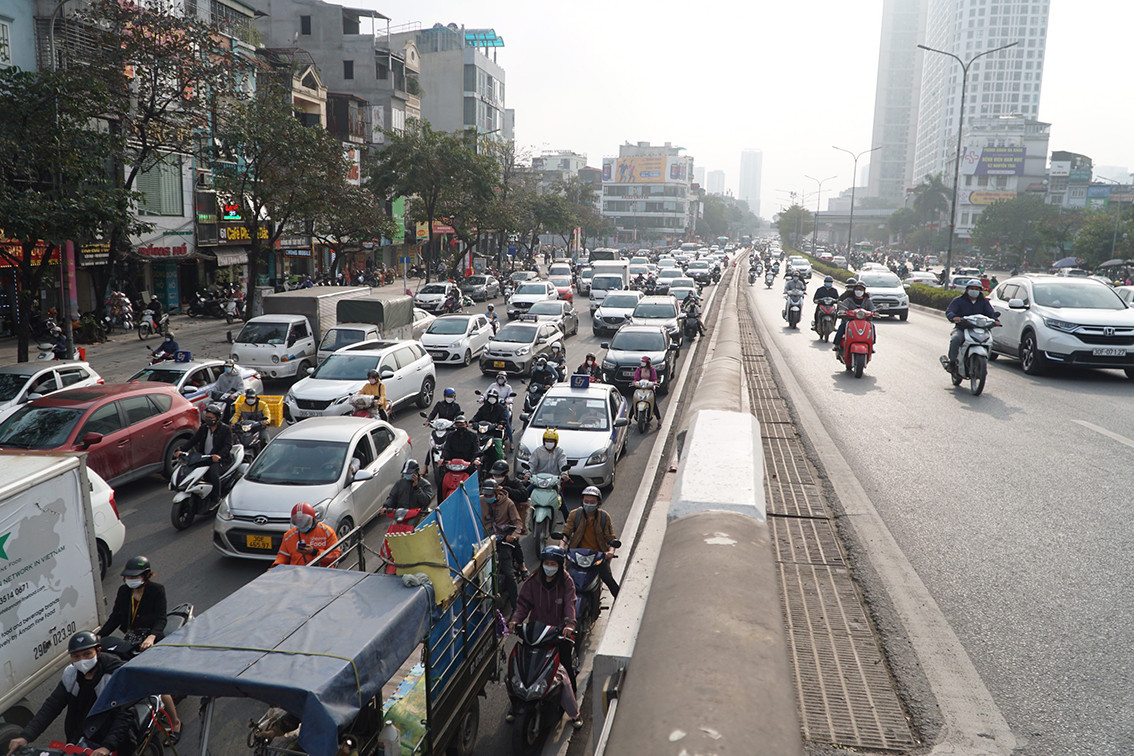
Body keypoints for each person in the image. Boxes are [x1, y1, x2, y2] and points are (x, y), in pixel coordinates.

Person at [96, 556, 182, 741]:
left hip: (151, 637)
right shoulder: (123, 591)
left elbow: (161, 618)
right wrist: (98, 636)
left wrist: (152, 637)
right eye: (128, 577)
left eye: (134, 576)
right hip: (132, 637)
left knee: (155, 682)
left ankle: (175, 722)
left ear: (146, 576)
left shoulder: (157, 590)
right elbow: (115, 617)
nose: (130, 580)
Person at [7, 632, 135, 756]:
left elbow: (124, 715)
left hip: (113, 739)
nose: (82, 660)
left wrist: (107, 746)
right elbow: (51, 707)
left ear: (98, 651)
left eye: (87, 654)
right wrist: (26, 736)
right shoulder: (71, 675)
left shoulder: (114, 677)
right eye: (76, 656)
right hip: (81, 738)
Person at [507, 546, 583, 729]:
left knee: (565, 675)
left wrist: (569, 625)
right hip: (535, 634)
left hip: (558, 635)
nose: (549, 567)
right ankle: (515, 705)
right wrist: (515, 620)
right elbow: (523, 604)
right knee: (517, 669)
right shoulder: (533, 581)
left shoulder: (567, 582)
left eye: (553, 564)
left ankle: (574, 712)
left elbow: (570, 605)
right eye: (547, 563)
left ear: (559, 565)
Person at [560, 486, 620, 598]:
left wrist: (611, 551)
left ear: (598, 503)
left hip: (597, 557)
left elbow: (610, 537)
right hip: (576, 556)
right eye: (586, 501)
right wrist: (562, 546)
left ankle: (621, 604)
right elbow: (566, 532)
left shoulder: (604, 517)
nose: (589, 504)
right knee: (562, 581)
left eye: (592, 502)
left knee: (609, 581)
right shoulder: (574, 514)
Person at [480, 480, 522, 614]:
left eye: (489, 495)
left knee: (509, 574)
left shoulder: (508, 504)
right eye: (485, 495)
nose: (487, 498)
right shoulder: (480, 501)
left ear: (497, 492)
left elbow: (518, 523)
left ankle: (516, 607)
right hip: (485, 541)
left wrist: (513, 535)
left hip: (502, 541)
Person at [176, 403, 232, 504]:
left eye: (211, 417)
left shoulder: (225, 429)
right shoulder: (204, 428)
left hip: (218, 460)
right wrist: (182, 450)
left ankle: (216, 498)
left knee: (213, 473)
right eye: (206, 417)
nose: (208, 419)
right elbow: (194, 440)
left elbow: (227, 446)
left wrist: (219, 456)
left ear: (217, 418)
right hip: (203, 457)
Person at [945, 279, 1001, 372]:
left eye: (977, 289)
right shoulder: (959, 300)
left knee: (989, 341)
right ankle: (952, 363)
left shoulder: (984, 302)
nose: (974, 291)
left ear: (980, 290)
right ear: (967, 289)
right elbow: (950, 311)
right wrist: (955, 317)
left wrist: (995, 320)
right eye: (972, 288)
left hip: (981, 329)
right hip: (962, 328)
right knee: (956, 339)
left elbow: (991, 313)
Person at [271, 503, 341, 568]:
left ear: (312, 520)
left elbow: (335, 555)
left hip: (322, 574)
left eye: (304, 521)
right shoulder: (289, 536)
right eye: (298, 522)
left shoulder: (327, 532)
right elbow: (283, 556)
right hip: (298, 575)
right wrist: (275, 567)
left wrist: (314, 552)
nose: (301, 525)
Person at [526, 428, 571, 519]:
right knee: (524, 495)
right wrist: (527, 473)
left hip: (553, 483)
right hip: (538, 481)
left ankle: (569, 525)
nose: (549, 442)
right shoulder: (538, 451)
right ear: (543, 441)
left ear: (556, 442)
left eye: (551, 441)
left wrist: (564, 474)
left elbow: (563, 464)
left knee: (562, 504)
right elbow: (531, 464)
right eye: (547, 440)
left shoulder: (560, 452)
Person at [833, 283, 877, 354]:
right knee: (842, 326)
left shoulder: (867, 300)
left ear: (864, 291)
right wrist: (842, 311)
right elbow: (843, 306)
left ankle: (871, 345)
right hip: (849, 320)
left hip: (864, 321)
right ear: (854, 290)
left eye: (861, 289)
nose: (858, 291)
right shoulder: (849, 300)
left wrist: (875, 312)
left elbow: (872, 308)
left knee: (872, 326)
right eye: (857, 289)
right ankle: (836, 344)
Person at [489, 459, 530, 533]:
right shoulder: (489, 483)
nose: (496, 477)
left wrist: (505, 489)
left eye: (499, 475)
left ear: (506, 474)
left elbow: (524, 494)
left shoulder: (513, 483)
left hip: (509, 521)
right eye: (495, 475)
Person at [632, 357, 663, 423]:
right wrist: (635, 382)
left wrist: (654, 383)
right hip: (640, 388)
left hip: (649, 389)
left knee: (653, 403)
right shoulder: (639, 369)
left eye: (643, 362)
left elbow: (654, 379)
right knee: (635, 401)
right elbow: (636, 378)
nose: (642, 363)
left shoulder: (652, 370)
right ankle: (629, 419)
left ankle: (659, 420)